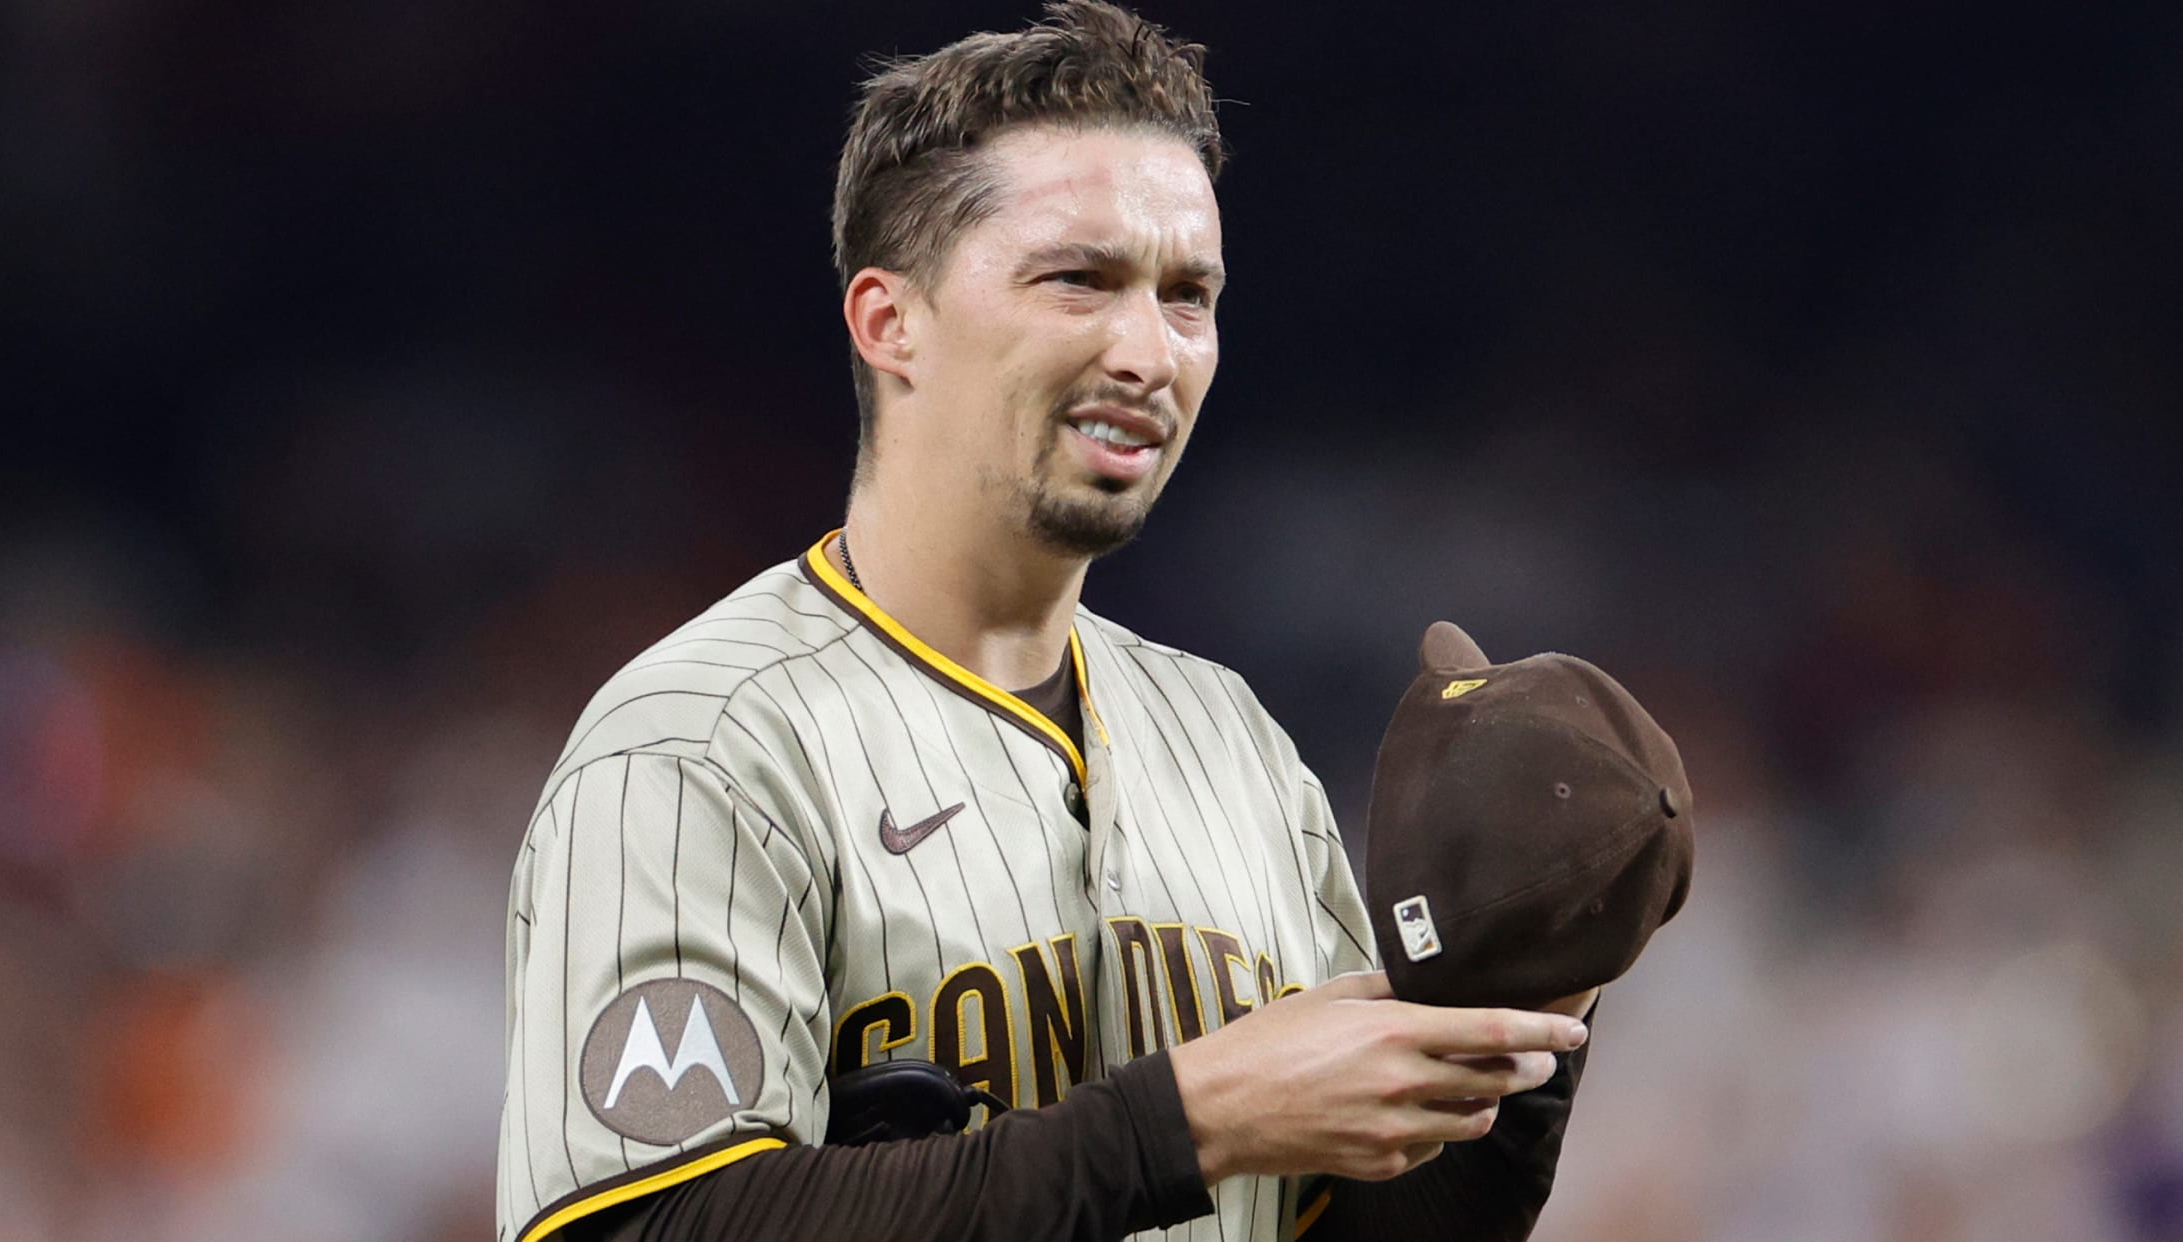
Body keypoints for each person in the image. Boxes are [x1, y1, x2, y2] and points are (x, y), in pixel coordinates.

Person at [496, 5, 1595, 1240]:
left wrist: (1539, 989)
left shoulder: (1231, 744)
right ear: (886, 321)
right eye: (1080, 278)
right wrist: (1185, 1122)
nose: (1148, 350)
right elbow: (637, 1225)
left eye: (1189, 296)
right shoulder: (701, 746)